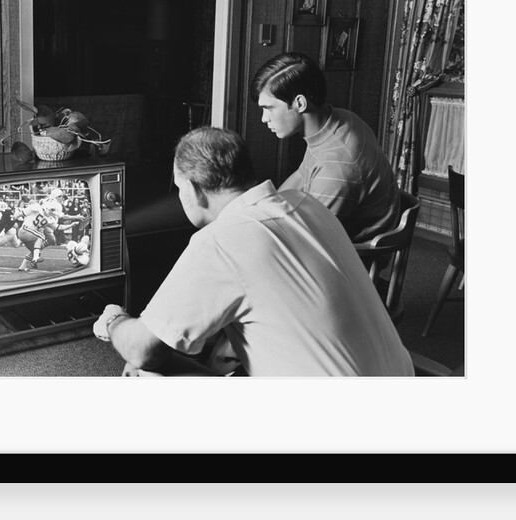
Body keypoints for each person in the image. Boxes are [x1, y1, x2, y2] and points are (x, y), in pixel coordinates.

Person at [92, 126, 414, 377]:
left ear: (193, 189)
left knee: (144, 369)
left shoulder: (220, 241)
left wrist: (114, 320)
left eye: (178, 188)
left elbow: (142, 348)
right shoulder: (308, 205)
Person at [250, 52, 400, 244]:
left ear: (300, 103)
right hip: (333, 232)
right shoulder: (339, 119)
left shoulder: (337, 165)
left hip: (354, 255)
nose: (264, 118)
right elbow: (302, 175)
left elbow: (307, 239)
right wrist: (268, 209)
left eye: (269, 108)